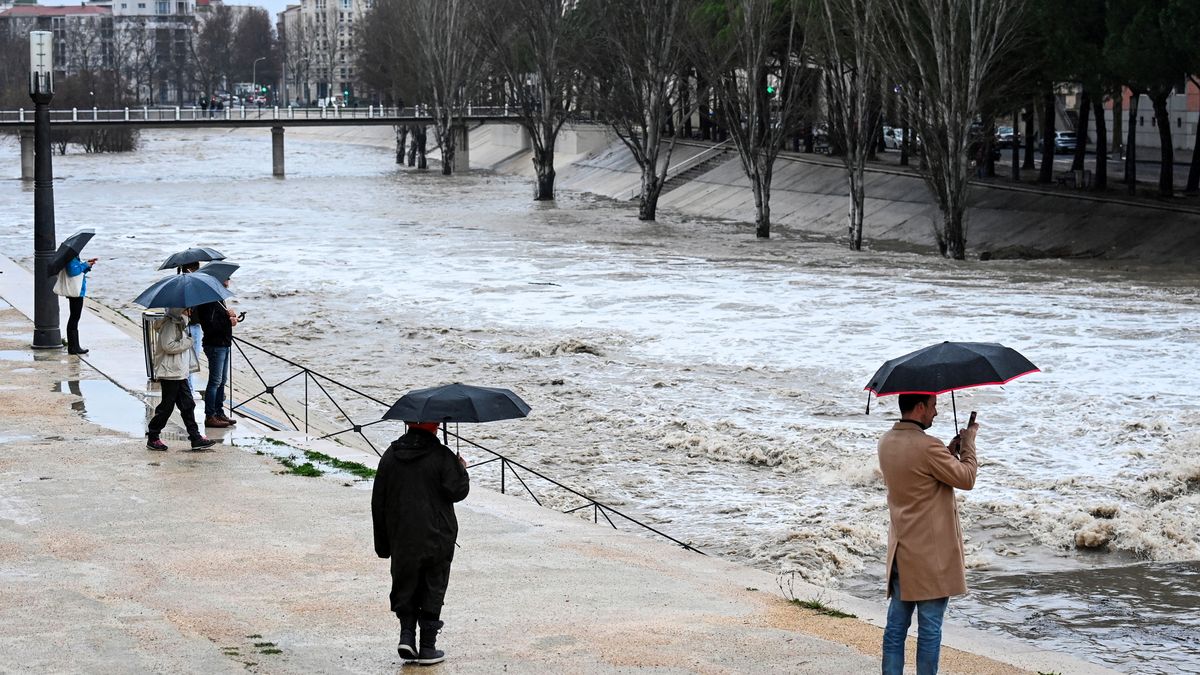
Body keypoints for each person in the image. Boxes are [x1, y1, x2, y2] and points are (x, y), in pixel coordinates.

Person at [877, 394, 978, 675]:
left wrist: (947, 451)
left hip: (901, 551)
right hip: (931, 558)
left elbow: (917, 474)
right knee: (930, 629)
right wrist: (968, 445)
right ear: (920, 407)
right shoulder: (928, 447)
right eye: (933, 406)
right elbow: (967, 478)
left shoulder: (886, 442)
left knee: (896, 628)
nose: (936, 412)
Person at [372, 421, 470, 665]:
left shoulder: (390, 457)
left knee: (405, 582)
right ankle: (427, 647)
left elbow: (378, 502)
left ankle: (406, 635)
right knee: (433, 585)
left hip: (402, 534)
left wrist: (383, 544)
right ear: (435, 426)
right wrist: (461, 468)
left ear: (407, 423)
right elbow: (457, 491)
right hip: (437, 534)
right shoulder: (442, 456)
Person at [146, 307, 216, 451]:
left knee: (187, 405)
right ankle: (153, 436)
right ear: (178, 310)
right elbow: (168, 345)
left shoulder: (179, 324)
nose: (190, 312)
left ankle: (195, 437)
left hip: (179, 373)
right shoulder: (170, 324)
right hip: (170, 373)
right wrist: (188, 342)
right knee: (166, 407)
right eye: (186, 310)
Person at [195, 279, 239, 428]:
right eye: (227, 279)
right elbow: (211, 325)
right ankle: (210, 416)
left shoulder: (219, 300)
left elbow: (220, 321)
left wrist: (230, 317)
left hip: (224, 344)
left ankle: (219, 412)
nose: (229, 281)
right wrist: (229, 320)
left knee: (222, 380)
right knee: (215, 381)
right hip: (215, 345)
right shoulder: (208, 302)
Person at [53, 255, 95, 355]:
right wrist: (85, 264)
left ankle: (74, 346)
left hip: (78, 291)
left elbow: (79, 272)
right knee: (74, 317)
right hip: (76, 292)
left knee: (74, 317)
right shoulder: (71, 258)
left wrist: (87, 266)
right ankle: (73, 347)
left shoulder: (73, 257)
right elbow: (72, 272)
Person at [177, 262, 204, 394]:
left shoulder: (177, 284)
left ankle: (188, 389)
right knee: (191, 360)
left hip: (187, 326)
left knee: (188, 361)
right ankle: (188, 390)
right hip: (190, 326)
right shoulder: (192, 285)